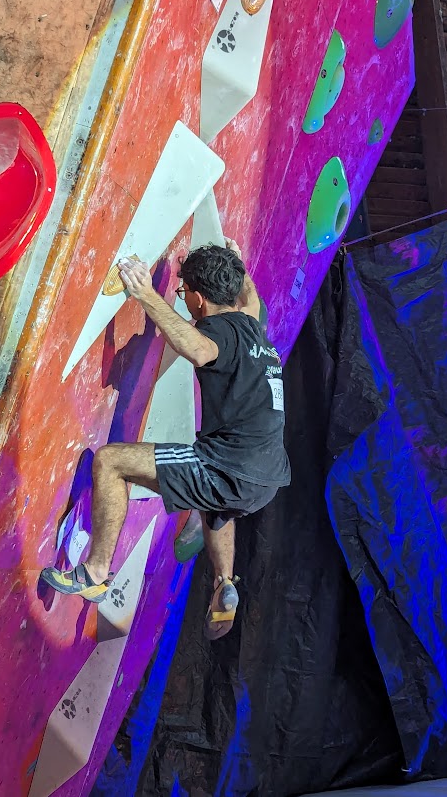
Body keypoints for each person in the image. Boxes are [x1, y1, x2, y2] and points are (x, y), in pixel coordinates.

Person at [41, 239, 291, 639]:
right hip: (267, 479)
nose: (182, 295)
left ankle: (95, 572)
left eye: (184, 290)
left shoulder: (219, 331)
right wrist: (238, 264)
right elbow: (251, 298)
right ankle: (224, 582)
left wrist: (145, 293)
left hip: (228, 469)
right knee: (217, 506)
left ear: (199, 298)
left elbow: (198, 349)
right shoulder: (252, 326)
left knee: (111, 461)